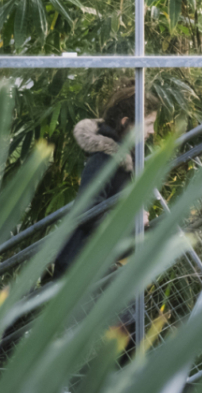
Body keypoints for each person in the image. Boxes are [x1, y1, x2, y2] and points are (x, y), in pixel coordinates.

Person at [52, 82, 160, 279]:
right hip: (80, 271)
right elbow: (87, 212)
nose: (152, 131)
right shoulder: (104, 159)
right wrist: (131, 222)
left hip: (96, 266)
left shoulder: (125, 158)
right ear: (126, 123)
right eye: (148, 124)